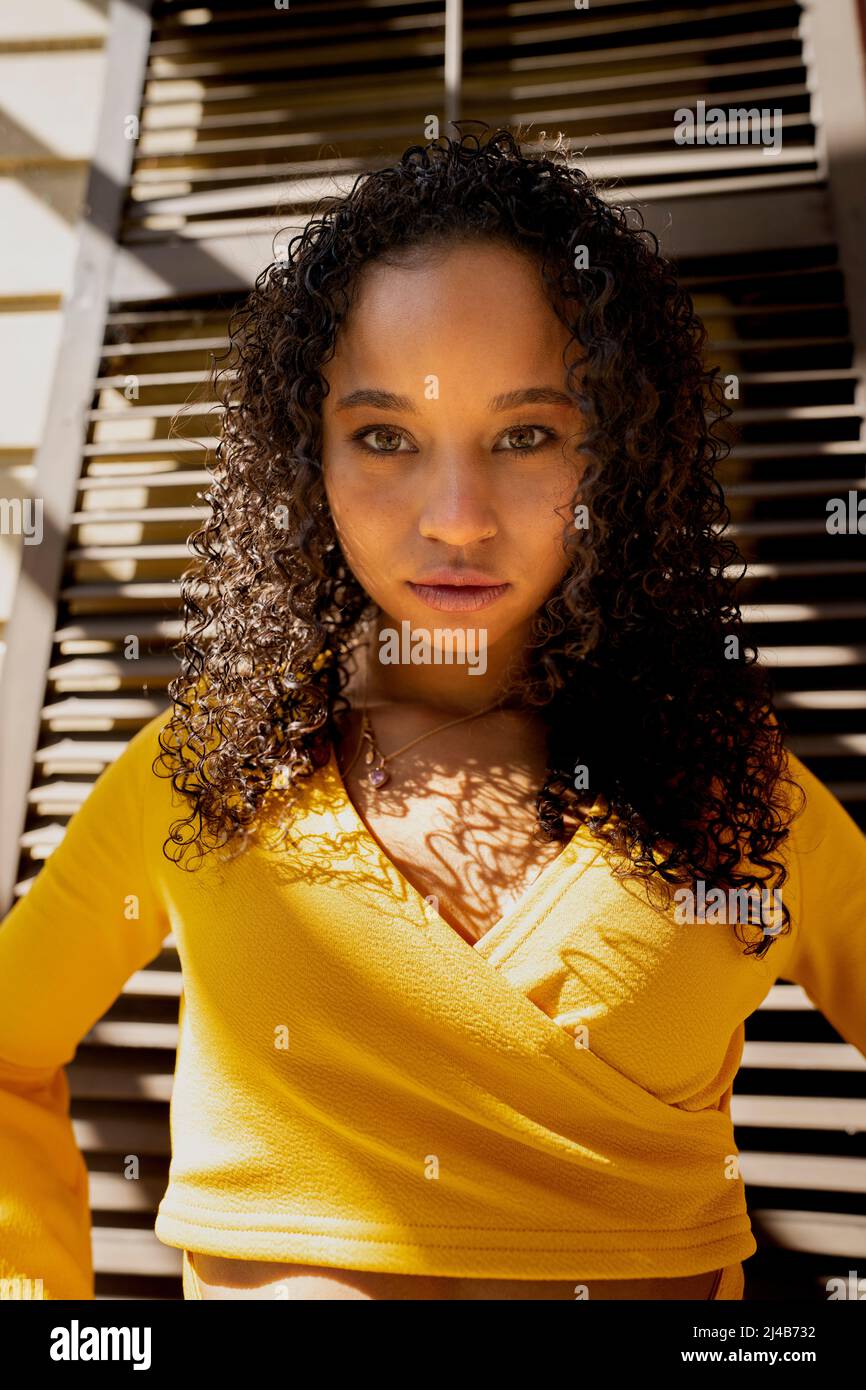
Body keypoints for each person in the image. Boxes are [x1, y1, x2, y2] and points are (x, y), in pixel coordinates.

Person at [2, 126, 865, 1303]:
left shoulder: (740, 799)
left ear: (613, 451)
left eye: (523, 435)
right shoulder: (202, 768)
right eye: (383, 437)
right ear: (305, 457)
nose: (455, 516)